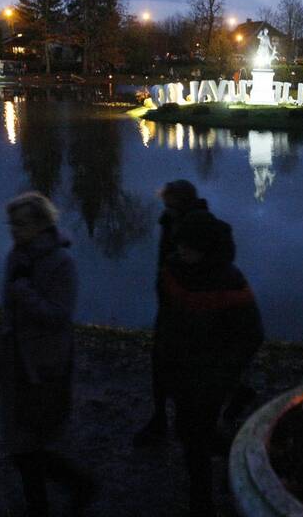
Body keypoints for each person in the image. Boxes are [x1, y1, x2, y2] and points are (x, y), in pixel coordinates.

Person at [0, 192, 93, 517]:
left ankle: (75, 487)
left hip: (45, 363)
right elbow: (11, 313)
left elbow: (59, 315)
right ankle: (46, 501)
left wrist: (23, 291)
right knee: (22, 442)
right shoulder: (17, 256)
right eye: (11, 224)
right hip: (17, 360)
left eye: (21, 224)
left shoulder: (61, 262)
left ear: (41, 224)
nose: (14, 230)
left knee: (28, 442)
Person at [156, 210, 263, 516]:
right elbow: (167, 321)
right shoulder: (173, 273)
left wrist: (224, 373)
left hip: (211, 378)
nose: (181, 250)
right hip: (180, 372)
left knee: (195, 441)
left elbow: (252, 334)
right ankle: (235, 456)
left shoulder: (229, 282)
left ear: (204, 248)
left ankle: (201, 502)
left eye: (187, 246)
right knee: (189, 432)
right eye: (179, 245)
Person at [134, 179, 212, 446]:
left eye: (171, 204)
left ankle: (187, 425)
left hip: (190, 311)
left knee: (186, 372)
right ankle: (159, 419)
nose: (166, 209)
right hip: (168, 307)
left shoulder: (199, 227)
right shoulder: (169, 221)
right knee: (159, 365)